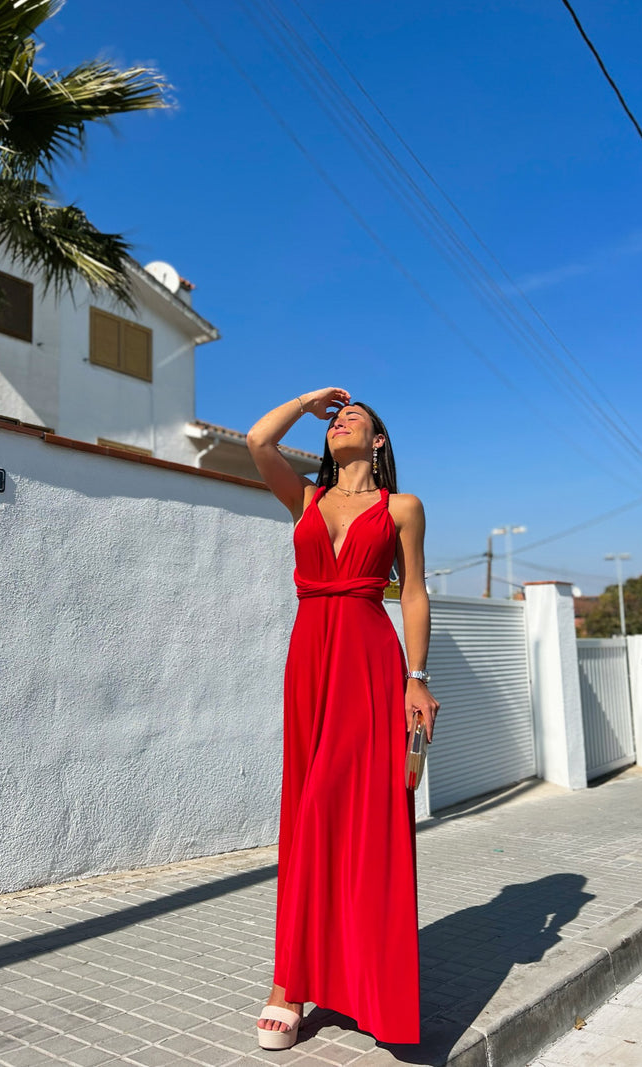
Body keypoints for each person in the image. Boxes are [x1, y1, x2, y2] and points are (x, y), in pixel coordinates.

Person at [246, 386, 439, 1049]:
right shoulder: (304, 496)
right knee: (306, 813)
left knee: (347, 811)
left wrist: (417, 677)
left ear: (378, 442)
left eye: (354, 417)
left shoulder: (402, 508)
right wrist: (307, 400)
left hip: (366, 659)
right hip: (308, 661)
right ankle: (290, 980)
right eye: (337, 420)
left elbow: (412, 593)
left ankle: (348, 982)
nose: (341, 424)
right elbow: (257, 442)